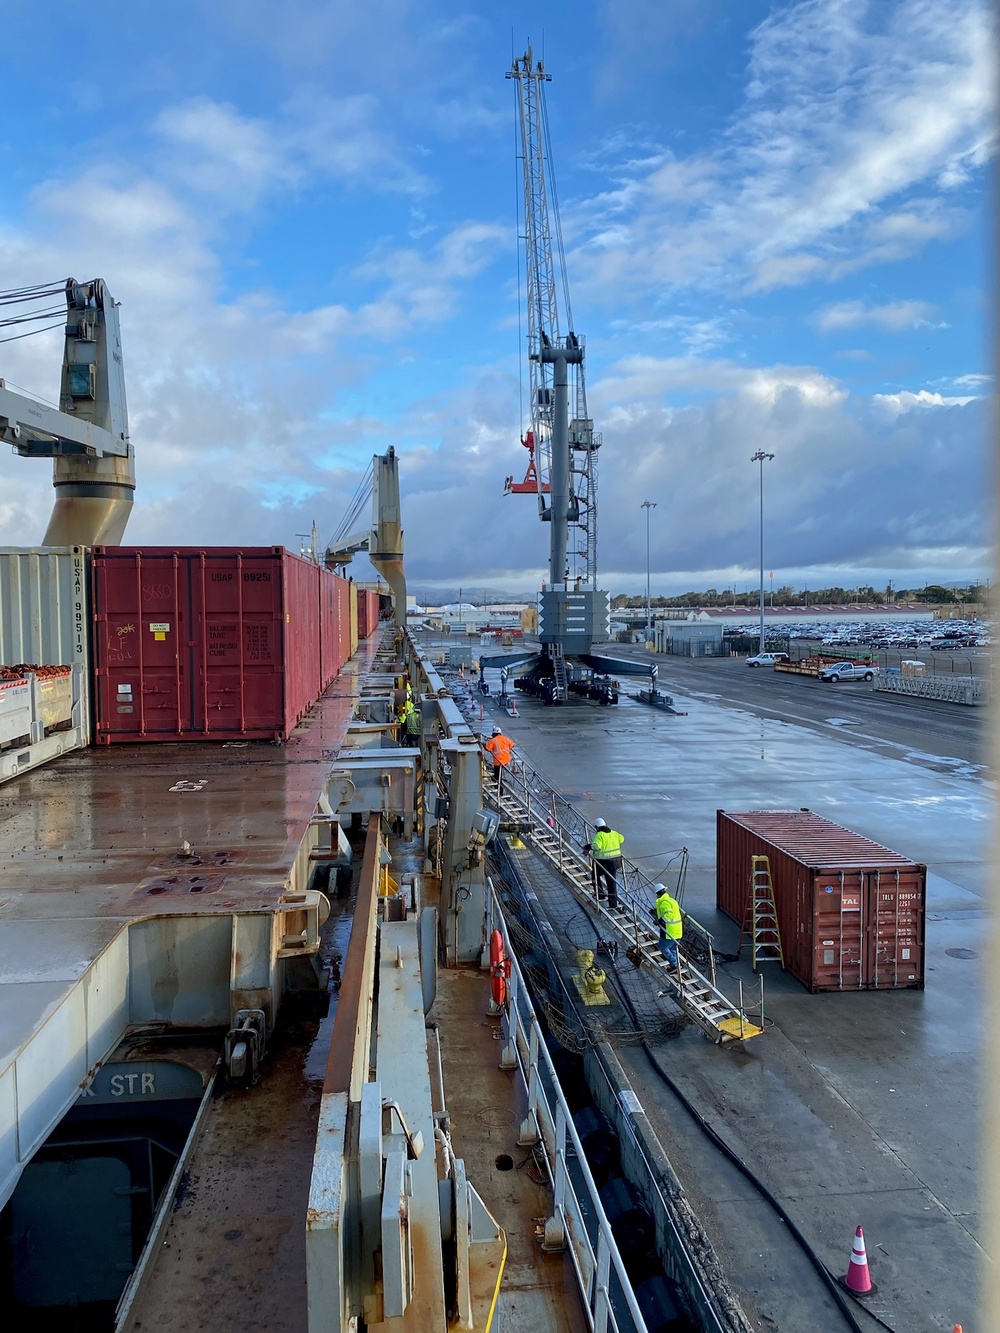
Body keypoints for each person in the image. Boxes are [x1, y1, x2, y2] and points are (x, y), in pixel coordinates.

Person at [590, 818, 624, 910]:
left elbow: (596, 846)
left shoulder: (599, 835)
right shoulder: (614, 833)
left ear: (597, 827)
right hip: (616, 862)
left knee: (594, 876)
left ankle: (600, 895)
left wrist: (589, 846)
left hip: (604, 862)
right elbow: (622, 839)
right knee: (611, 882)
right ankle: (613, 903)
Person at [653, 883, 683, 970]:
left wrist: (659, 921)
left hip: (669, 931)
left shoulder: (664, 903)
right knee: (672, 949)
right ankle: (674, 965)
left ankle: (675, 964)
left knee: (663, 947)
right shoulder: (672, 901)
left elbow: (668, 915)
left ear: (657, 894)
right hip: (678, 930)